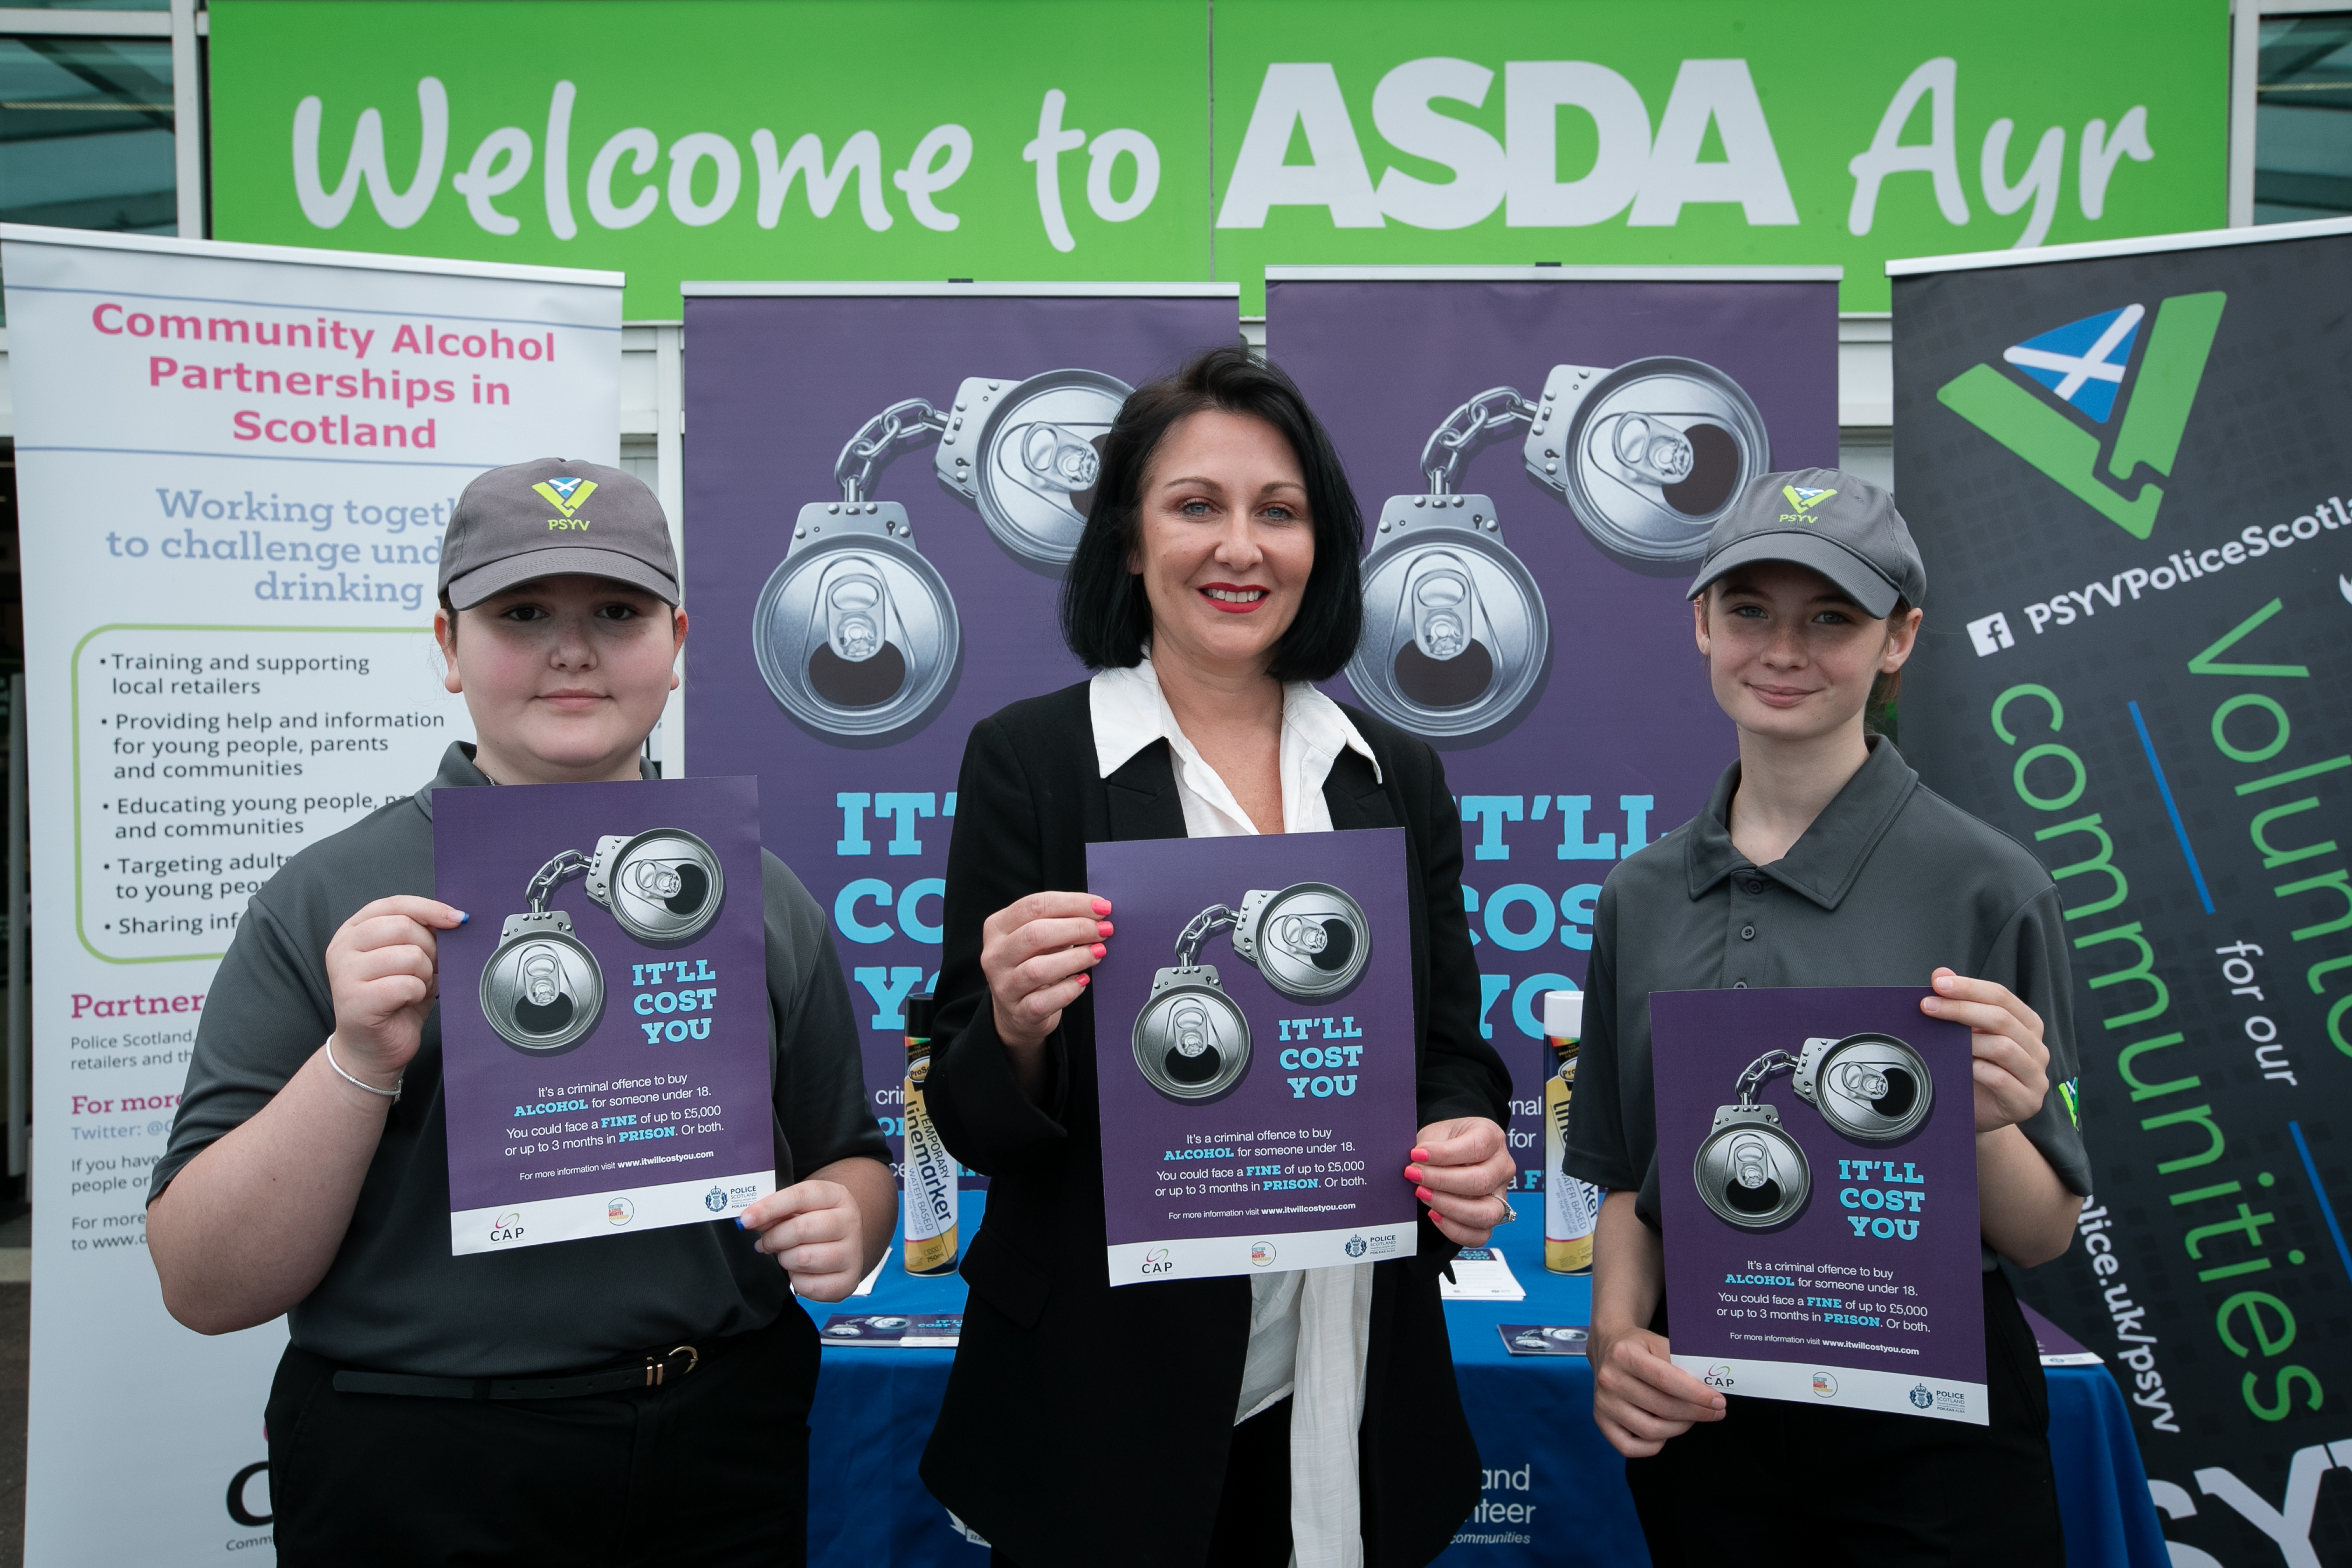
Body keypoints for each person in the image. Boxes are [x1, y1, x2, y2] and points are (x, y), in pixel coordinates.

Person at [146, 458, 894, 1567]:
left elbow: (851, 1156)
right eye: (523, 611)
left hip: (717, 1442)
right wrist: (358, 1055)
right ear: (447, 649)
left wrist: (851, 1217)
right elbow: (205, 1284)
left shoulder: (759, 895)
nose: (573, 647)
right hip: (417, 1456)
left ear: (678, 642)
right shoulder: (325, 898)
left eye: (618, 611)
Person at [916, 347, 1514, 1567]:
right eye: (1195, 507)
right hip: (1100, 1406)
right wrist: (1017, 1029)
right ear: (1129, 543)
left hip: (1345, 1387)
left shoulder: (1391, 776)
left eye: (1277, 512)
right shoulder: (1030, 761)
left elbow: (1450, 1051)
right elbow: (966, 1110)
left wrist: (1464, 1140)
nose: (1239, 548)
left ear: (1319, 549)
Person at [1566, 469, 2092, 1565]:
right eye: (1749, 608)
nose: (1783, 649)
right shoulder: (1640, 892)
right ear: (1700, 622)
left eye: (1831, 618)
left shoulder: (1988, 885)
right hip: (1711, 1419)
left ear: (1898, 638)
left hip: (1934, 1434)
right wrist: (1615, 1337)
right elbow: (1628, 1180)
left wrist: (1987, 1115)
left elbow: (2042, 1234)